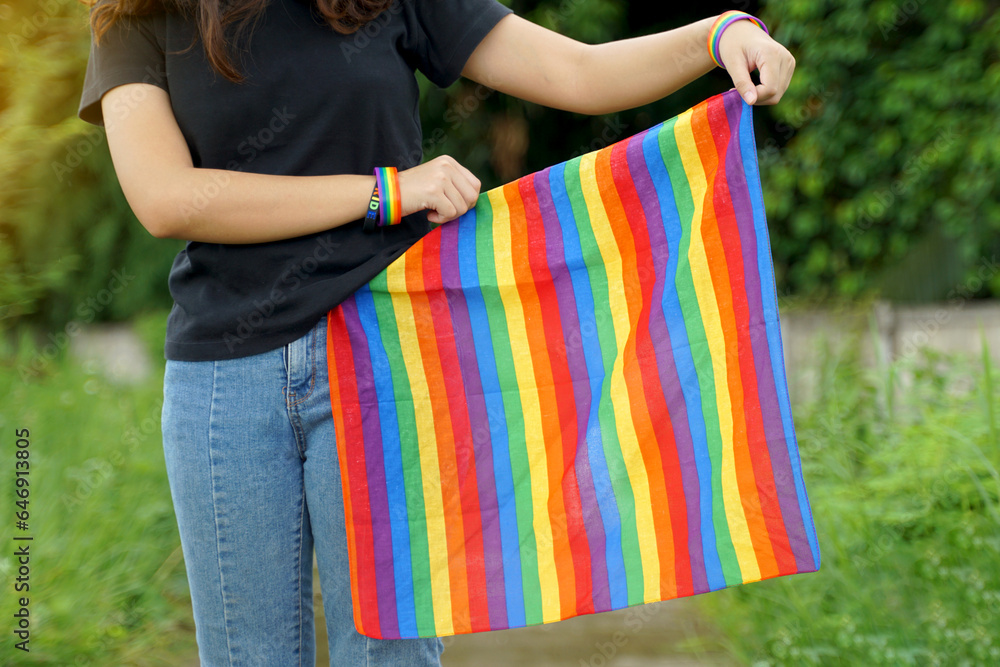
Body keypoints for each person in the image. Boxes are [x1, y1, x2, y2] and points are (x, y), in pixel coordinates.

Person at [77, 0, 794, 664]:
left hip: (387, 365)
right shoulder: (137, 16)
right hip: (222, 388)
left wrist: (719, 32)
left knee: (392, 654)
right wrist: (386, 191)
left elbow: (576, 70)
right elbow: (166, 198)